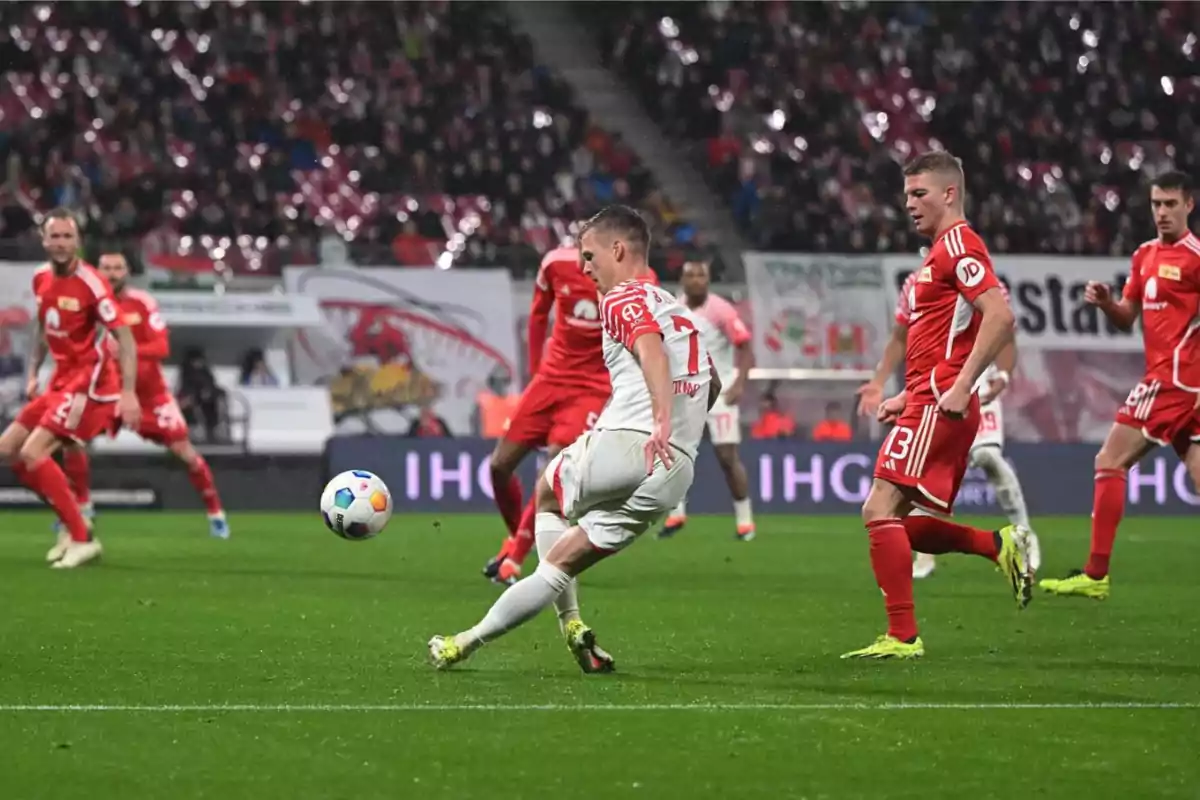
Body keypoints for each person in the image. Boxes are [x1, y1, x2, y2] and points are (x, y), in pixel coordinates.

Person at [429, 205, 719, 671]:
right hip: (675, 470)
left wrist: (660, 418)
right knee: (561, 562)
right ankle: (542, 631)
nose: (584, 269)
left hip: (631, 441)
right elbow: (713, 385)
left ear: (618, 250)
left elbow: (650, 352)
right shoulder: (678, 312)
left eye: (589, 256)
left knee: (545, 493)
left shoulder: (623, 297)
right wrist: (676, 427)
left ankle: (499, 634)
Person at [844, 152, 1033, 660]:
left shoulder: (959, 245)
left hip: (942, 403)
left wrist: (961, 384)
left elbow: (999, 316)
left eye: (919, 193)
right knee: (896, 521)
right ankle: (997, 546)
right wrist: (906, 393)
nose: (909, 204)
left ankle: (903, 636)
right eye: (906, 194)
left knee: (878, 508)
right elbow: (942, 341)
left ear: (949, 194)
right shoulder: (937, 254)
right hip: (929, 397)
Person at [1041, 171, 1200, 600]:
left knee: (1109, 460)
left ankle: (1095, 574)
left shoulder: (1196, 257)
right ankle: (1095, 575)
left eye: (1170, 203)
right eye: (1156, 204)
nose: (1162, 212)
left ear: (1190, 205)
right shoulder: (1144, 255)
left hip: (1174, 381)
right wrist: (1108, 303)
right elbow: (1128, 317)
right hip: (1184, 386)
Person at [481, 246, 658, 586]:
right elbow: (537, 315)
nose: (585, 260)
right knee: (499, 466)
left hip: (591, 388)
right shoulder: (555, 264)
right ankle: (517, 537)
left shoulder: (640, 278)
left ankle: (515, 558)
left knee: (553, 468)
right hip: (549, 381)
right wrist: (535, 373)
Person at [859, 265, 1041, 581]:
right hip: (928, 386)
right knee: (912, 482)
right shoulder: (914, 283)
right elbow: (900, 337)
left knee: (985, 457)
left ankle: (1023, 533)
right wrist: (880, 382)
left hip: (972, 379)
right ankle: (931, 558)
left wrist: (1004, 374)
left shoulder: (978, 270)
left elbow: (1004, 330)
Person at [0, 209, 140, 568]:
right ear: (44, 240)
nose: (61, 243)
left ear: (77, 241)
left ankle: (81, 537)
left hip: (90, 384)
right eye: (55, 237)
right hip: (59, 380)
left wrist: (128, 392)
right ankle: (73, 520)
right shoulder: (41, 278)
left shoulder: (92, 283)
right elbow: (44, 328)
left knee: (34, 453)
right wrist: (33, 371)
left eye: (67, 237)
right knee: (8, 452)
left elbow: (124, 338)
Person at [57, 253, 229, 539]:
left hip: (149, 395)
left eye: (117, 268)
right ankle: (81, 509)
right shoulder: (84, 305)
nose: (112, 273)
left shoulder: (142, 302)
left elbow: (161, 348)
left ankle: (216, 515)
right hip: (104, 392)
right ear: (97, 271)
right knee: (71, 440)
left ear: (127, 271)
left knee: (185, 453)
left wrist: (127, 350)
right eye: (106, 268)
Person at [658, 260, 756, 541]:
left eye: (702, 275)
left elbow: (745, 347)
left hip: (720, 392)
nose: (697, 280)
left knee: (727, 455)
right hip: (686, 391)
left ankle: (745, 521)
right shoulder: (673, 307)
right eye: (691, 275)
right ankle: (676, 514)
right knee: (675, 453)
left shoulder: (721, 310)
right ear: (683, 279)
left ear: (709, 279)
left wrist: (739, 382)